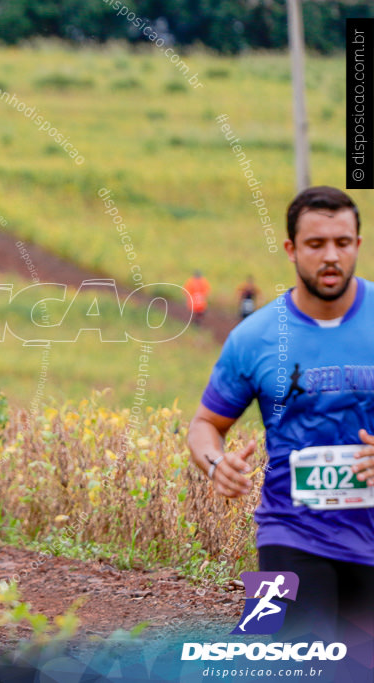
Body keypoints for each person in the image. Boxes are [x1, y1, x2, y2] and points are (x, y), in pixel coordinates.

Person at [187, 186, 374, 672]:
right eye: (316, 244)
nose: (331, 256)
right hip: (292, 530)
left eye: (343, 241)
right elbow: (206, 425)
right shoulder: (256, 337)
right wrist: (214, 463)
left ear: (358, 242)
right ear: (291, 249)